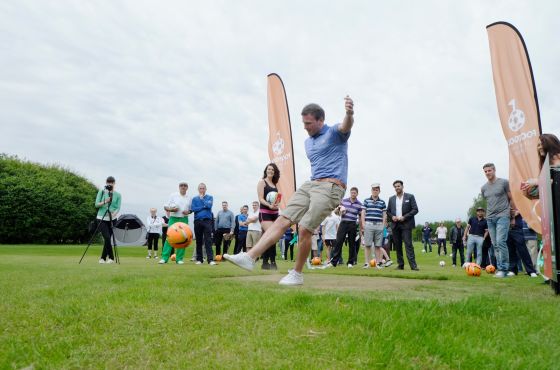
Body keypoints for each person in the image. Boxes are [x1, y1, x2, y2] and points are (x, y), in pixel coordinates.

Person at [224, 97, 354, 285]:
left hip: (331, 187)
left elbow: (346, 126)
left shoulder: (334, 132)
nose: (305, 127)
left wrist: (349, 114)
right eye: (303, 123)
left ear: (320, 120)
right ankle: (250, 257)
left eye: (309, 123)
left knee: (305, 228)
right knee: (283, 219)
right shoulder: (307, 143)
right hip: (311, 184)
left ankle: (297, 274)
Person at [481, 163, 515, 278]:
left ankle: (503, 269)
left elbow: (511, 199)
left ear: (494, 170)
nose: (487, 173)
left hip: (503, 216)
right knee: (495, 244)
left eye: (489, 170)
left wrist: (513, 216)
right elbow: (488, 202)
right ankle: (502, 269)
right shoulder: (484, 188)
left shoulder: (504, 182)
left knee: (501, 242)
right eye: (485, 171)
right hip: (490, 218)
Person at [386, 180, 419, 271]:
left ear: (402, 186)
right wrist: (392, 217)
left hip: (406, 224)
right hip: (395, 225)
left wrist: (404, 217)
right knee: (398, 246)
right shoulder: (391, 198)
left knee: (408, 245)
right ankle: (400, 265)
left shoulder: (410, 196)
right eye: (395, 186)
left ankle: (413, 266)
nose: (397, 188)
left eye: (399, 186)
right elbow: (388, 211)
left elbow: (415, 209)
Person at [329, 187, 363, 268]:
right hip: (343, 223)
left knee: (352, 243)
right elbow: (336, 212)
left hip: (352, 224)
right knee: (339, 241)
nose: (353, 194)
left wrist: (361, 228)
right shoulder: (344, 201)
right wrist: (339, 210)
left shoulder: (359, 204)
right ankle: (334, 262)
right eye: (352, 192)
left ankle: (350, 262)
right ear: (350, 193)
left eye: (354, 193)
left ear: (357, 194)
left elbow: (360, 217)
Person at [159, 181, 191, 265]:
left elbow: (191, 210)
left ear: (187, 188)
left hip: (184, 219)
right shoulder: (173, 195)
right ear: (179, 187)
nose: (183, 187)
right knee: (169, 238)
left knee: (183, 238)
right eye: (181, 185)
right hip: (173, 218)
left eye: (185, 186)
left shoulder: (189, 198)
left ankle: (179, 259)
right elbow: (165, 206)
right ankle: (164, 258)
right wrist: (171, 210)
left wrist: (188, 212)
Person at [258, 163, 281, 270]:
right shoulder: (262, 182)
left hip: (274, 213)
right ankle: (272, 262)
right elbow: (261, 199)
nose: (270, 171)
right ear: (266, 170)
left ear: (275, 172)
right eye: (268, 169)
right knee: (271, 235)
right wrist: (269, 205)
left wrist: (277, 205)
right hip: (265, 213)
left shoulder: (275, 184)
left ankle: (265, 262)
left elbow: (277, 199)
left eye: (272, 169)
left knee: (271, 237)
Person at [95, 176, 121, 264]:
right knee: (106, 237)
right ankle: (111, 257)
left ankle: (102, 258)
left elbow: (118, 207)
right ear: (106, 183)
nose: (110, 184)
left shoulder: (118, 195)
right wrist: (105, 201)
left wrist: (114, 213)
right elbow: (96, 204)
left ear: (114, 183)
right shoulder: (101, 192)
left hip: (112, 219)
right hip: (101, 218)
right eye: (108, 182)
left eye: (112, 182)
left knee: (108, 239)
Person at [360, 183, 387, 269]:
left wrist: (383, 225)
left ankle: (378, 263)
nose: (375, 191)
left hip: (379, 225)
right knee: (367, 245)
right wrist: (363, 223)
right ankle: (367, 263)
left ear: (379, 191)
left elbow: (384, 214)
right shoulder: (366, 201)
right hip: (369, 224)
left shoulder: (382, 202)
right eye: (373, 190)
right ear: (371, 191)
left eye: (376, 190)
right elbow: (363, 212)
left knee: (378, 246)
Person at [507, 211, 538, 277]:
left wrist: (517, 212)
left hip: (517, 228)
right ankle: (512, 270)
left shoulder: (519, 202)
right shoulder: (505, 203)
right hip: (507, 228)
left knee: (523, 250)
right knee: (511, 250)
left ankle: (531, 271)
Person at [191, 183, 216, 265]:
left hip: (207, 221)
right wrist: (203, 206)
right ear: (198, 189)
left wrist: (202, 199)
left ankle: (210, 260)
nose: (202, 190)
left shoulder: (210, 197)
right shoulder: (194, 199)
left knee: (208, 240)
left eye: (203, 188)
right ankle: (199, 259)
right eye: (200, 188)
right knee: (198, 241)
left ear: (205, 189)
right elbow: (193, 209)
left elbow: (209, 206)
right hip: (197, 221)